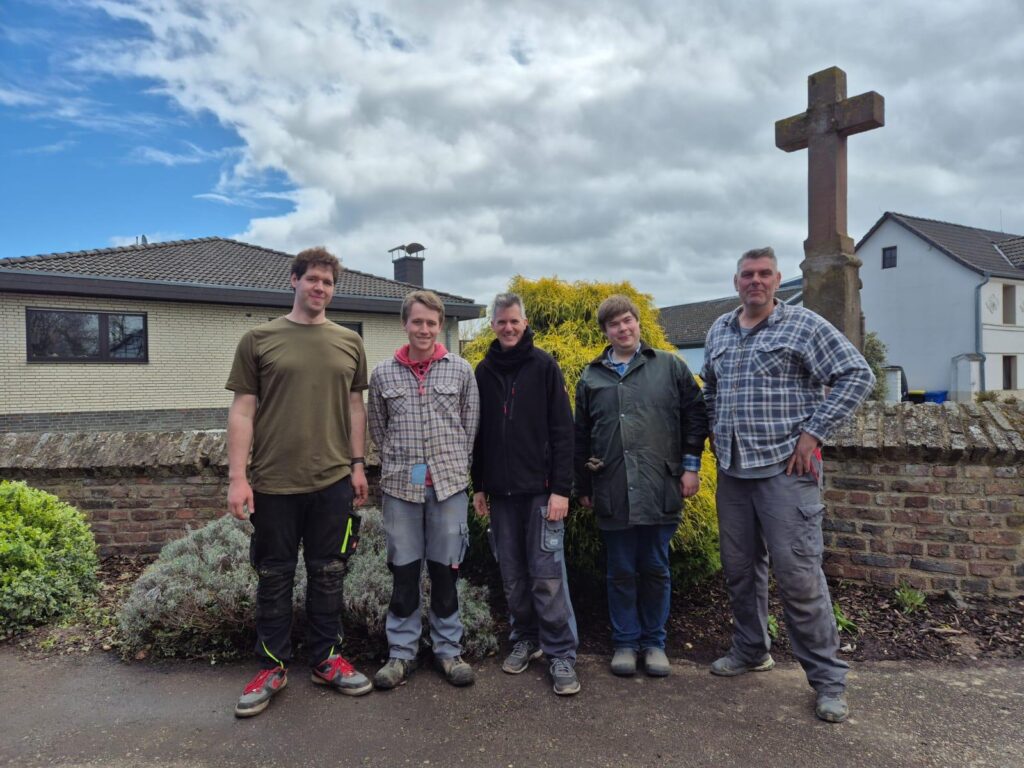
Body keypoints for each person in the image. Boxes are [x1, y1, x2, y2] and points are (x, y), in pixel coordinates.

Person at [701, 246, 875, 724]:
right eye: (746, 274)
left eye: (763, 274)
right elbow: (710, 386)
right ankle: (751, 649)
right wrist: (717, 432)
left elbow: (857, 375)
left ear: (777, 280)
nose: (755, 281)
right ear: (735, 281)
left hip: (786, 473)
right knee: (740, 571)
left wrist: (814, 433)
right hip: (734, 474)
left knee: (799, 578)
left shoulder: (804, 326)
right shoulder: (719, 329)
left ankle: (828, 681)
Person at [226, 246, 373, 718]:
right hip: (273, 481)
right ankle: (271, 666)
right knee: (274, 575)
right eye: (312, 279)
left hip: (332, 480)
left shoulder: (349, 342)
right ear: (294, 281)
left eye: (328, 282)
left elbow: (355, 407)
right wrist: (237, 477)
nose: (320, 288)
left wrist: (357, 465)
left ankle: (326, 659)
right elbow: (242, 410)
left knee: (329, 573)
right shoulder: (259, 339)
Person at [574, 294, 708, 677]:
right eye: (614, 324)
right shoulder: (592, 375)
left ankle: (654, 643)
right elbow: (580, 434)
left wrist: (690, 466)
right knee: (619, 569)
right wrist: (583, 484)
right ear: (606, 331)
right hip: (612, 486)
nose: (623, 328)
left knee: (654, 567)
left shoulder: (669, 366)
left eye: (628, 320)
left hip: (659, 484)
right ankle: (625, 642)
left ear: (638, 323)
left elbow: (695, 414)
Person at [368, 290, 480, 690]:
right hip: (402, 488)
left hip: (449, 488)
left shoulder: (461, 370)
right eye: (418, 322)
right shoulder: (382, 374)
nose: (425, 329)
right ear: (405, 324)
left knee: (446, 570)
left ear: (440, 325)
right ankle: (401, 654)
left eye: (432, 323)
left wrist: (451, 467)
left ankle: (449, 651)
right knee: (404, 571)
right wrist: (404, 463)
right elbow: (378, 430)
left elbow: (470, 427)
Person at [471, 293, 580, 696]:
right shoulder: (483, 371)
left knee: (547, 576)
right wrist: (479, 484)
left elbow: (563, 432)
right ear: (494, 325)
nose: (508, 328)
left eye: (514, 321)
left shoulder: (544, 366)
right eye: (501, 322)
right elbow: (479, 436)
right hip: (501, 495)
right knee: (513, 575)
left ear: (524, 321)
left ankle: (561, 653)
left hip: (541, 494)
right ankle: (525, 638)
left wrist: (561, 491)